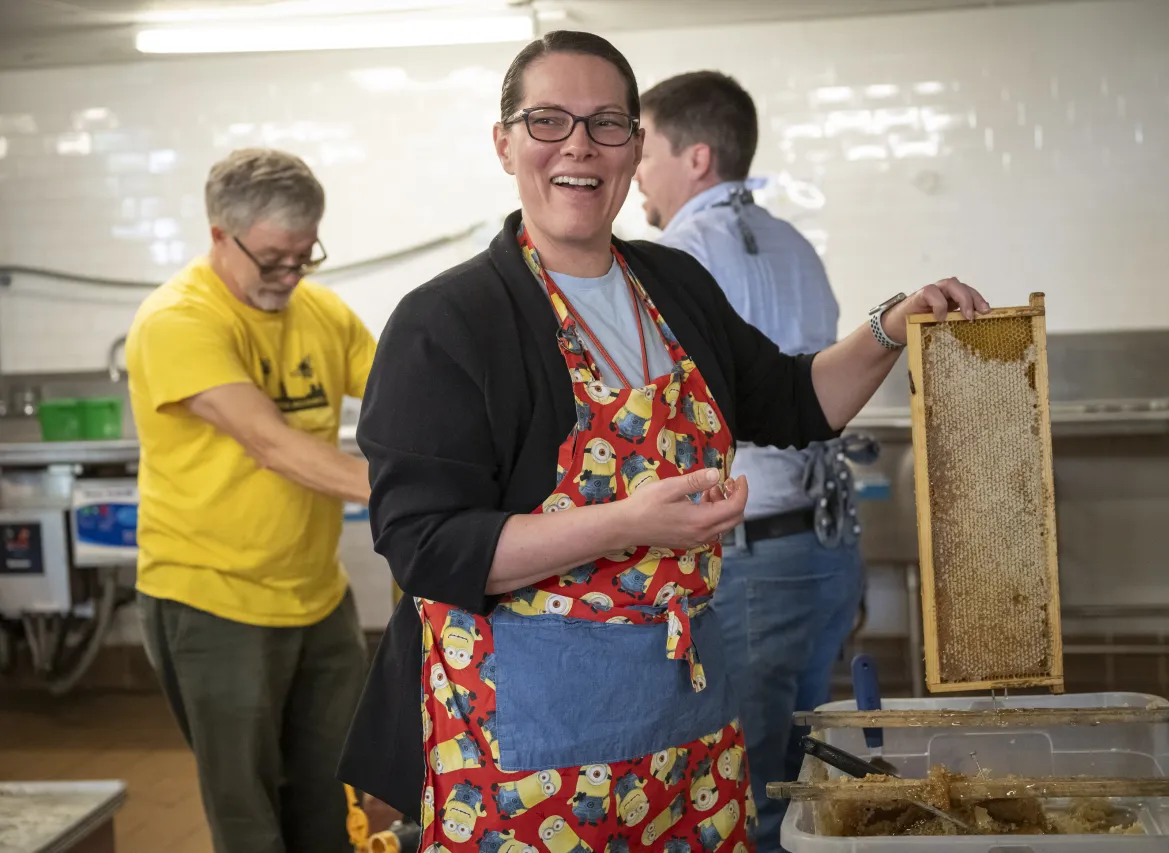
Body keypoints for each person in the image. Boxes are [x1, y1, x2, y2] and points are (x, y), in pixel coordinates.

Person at [338, 30, 989, 851]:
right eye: (548, 121)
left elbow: (792, 400)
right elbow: (425, 545)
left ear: (636, 149)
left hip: (683, 732)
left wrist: (892, 326)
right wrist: (628, 522)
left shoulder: (670, 283)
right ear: (504, 144)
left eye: (607, 123)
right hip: (523, 756)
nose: (578, 144)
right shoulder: (449, 321)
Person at [634, 70, 867, 852]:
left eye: (645, 147)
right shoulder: (795, 242)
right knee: (802, 774)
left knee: (752, 785)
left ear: (696, 158)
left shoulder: (676, 258)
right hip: (826, 550)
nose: (634, 167)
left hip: (757, 558)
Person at [126, 147, 377, 853]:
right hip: (212, 600)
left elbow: (405, 396)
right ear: (218, 235)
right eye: (273, 258)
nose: (291, 275)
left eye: (305, 255)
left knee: (330, 798)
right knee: (250, 816)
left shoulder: (321, 311)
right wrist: (410, 499)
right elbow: (270, 443)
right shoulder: (178, 320)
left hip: (319, 597)